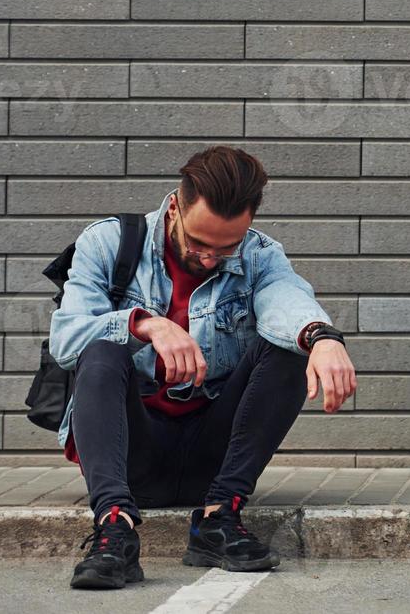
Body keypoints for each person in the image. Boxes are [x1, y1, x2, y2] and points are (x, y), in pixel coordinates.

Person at [52, 145, 358, 588]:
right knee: (101, 349)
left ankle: (217, 521)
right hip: (131, 456)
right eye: (199, 244)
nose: (211, 258)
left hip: (213, 460)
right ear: (174, 207)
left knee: (290, 346)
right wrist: (143, 324)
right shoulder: (107, 243)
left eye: (226, 247)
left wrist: (322, 337)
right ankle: (115, 527)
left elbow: (287, 300)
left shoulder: (259, 256)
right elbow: (66, 340)